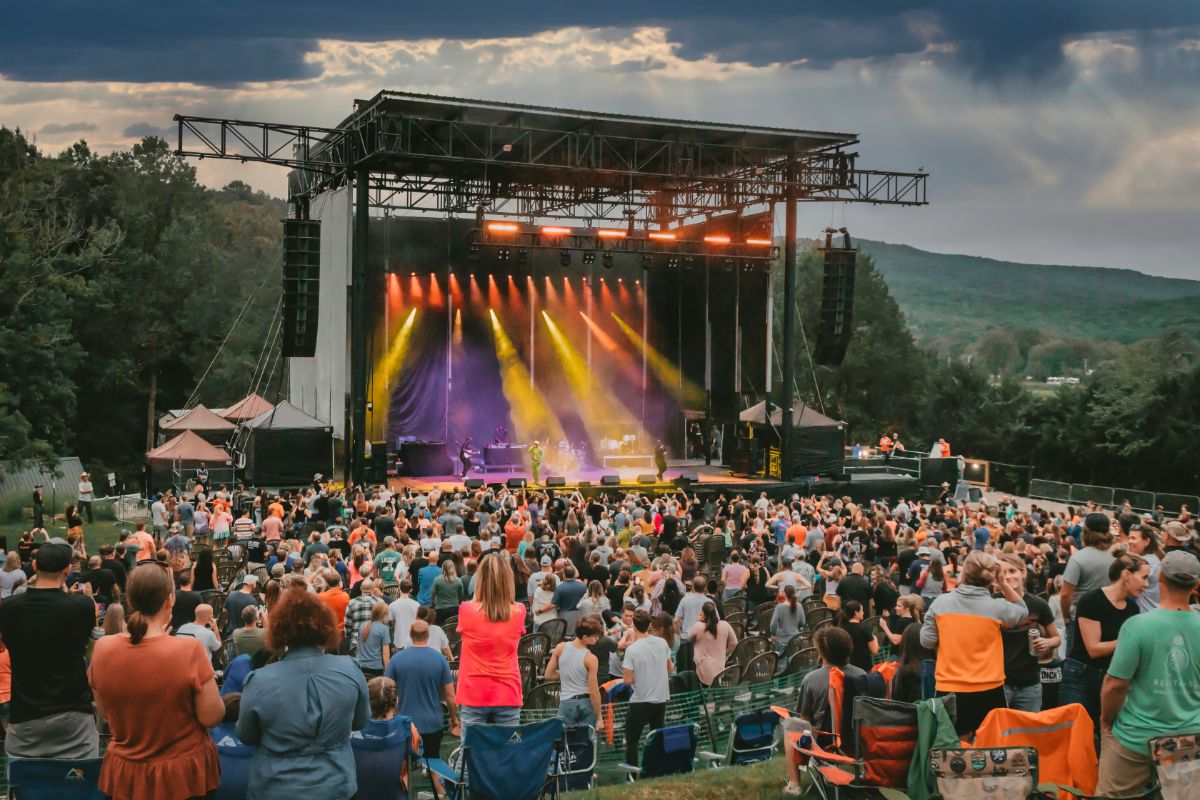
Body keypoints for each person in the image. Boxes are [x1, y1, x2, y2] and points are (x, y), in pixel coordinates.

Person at [88, 563, 224, 800]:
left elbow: (106, 713)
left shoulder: (103, 648)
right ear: (169, 600)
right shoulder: (189, 650)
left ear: (131, 599)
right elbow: (211, 716)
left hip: (127, 777)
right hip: (183, 777)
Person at [237, 586, 370, 800]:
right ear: (325, 626)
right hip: (336, 785)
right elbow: (361, 722)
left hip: (276, 787)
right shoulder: (351, 670)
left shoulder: (259, 681)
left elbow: (246, 735)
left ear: (281, 629)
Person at [1096, 551, 1200, 797]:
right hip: (1189, 739)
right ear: (1195, 585)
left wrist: (1105, 720)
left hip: (1136, 737)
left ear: (1161, 577)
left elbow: (1115, 685)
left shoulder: (1138, 625)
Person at [0, 540, 99, 759]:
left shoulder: (9, 608)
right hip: (74, 713)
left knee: (27, 785)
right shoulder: (82, 606)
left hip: (25, 715)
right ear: (66, 570)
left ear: (34, 567)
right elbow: (88, 645)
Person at [920, 551, 1029, 737]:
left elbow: (927, 642)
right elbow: (1022, 610)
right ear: (991, 577)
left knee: (951, 748)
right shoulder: (998, 607)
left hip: (950, 687)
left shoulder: (940, 604)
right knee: (991, 748)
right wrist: (1003, 583)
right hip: (989, 689)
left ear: (964, 575)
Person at [1060, 553, 1147, 728]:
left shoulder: (1132, 607)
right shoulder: (1092, 601)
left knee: (1106, 735)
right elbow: (1094, 649)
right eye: (1144, 577)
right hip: (1080, 677)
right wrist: (1130, 641)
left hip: (1111, 679)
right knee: (1076, 734)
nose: (1146, 584)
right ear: (1127, 575)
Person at [456, 552, 527, 726]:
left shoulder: (466, 610)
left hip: (473, 692)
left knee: (472, 751)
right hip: (508, 692)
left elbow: (477, 603)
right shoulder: (519, 611)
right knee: (509, 752)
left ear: (480, 580)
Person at [385, 619, 458, 761]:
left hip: (405, 723)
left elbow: (387, 691)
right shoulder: (440, 659)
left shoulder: (396, 660)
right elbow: (450, 694)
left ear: (410, 635)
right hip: (433, 723)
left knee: (405, 766)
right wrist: (454, 718)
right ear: (428, 635)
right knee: (434, 762)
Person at [997, 554, 1059, 713]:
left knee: (1029, 733)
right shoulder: (993, 602)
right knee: (1000, 733)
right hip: (999, 682)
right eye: (1003, 573)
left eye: (1012, 571)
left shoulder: (1038, 604)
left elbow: (1057, 638)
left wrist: (1047, 643)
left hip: (1029, 683)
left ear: (1023, 572)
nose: (1008, 576)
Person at [622, 610, 673, 766]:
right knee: (658, 739)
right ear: (650, 624)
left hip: (641, 701)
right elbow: (670, 669)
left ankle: (632, 774)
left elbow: (627, 680)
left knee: (631, 742)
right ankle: (656, 769)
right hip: (660, 699)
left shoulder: (632, 650)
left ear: (634, 626)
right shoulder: (662, 643)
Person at [1060, 512, 1116, 638]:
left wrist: (1065, 616)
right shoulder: (1114, 558)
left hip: (1079, 618)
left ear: (1085, 532)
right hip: (1105, 617)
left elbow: (1065, 594)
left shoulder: (1077, 558)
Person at [544, 616, 603, 728]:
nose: (597, 639)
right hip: (585, 703)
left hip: (566, 703)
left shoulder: (560, 648)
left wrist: (567, 673)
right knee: (586, 742)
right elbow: (594, 691)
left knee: (565, 741)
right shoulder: (591, 658)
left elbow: (549, 675)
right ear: (585, 637)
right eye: (595, 637)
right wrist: (599, 717)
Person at [689, 601, 737, 686]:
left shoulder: (698, 626)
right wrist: (724, 653)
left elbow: (689, 638)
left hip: (703, 671)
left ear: (703, 613)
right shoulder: (725, 625)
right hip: (720, 670)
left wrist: (698, 620)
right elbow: (734, 644)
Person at [355, 603, 393, 678]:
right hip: (375, 668)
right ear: (384, 615)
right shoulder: (384, 629)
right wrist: (387, 671)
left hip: (360, 666)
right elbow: (386, 654)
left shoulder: (363, 625)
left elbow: (358, 646)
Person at [770, 585, 806, 653]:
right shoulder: (799, 606)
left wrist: (773, 634)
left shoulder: (779, 607)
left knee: (782, 663)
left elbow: (773, 624)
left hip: (782, 641)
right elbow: (803, 623)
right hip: (796, 639)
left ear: (784, 594)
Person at [387, 578, 421, 651]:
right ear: (411, 590)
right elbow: (418, 620)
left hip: (399, 638)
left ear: (399, 587)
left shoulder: (392, 605)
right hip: (413, 638)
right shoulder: (416, 604)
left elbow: (392, 622)